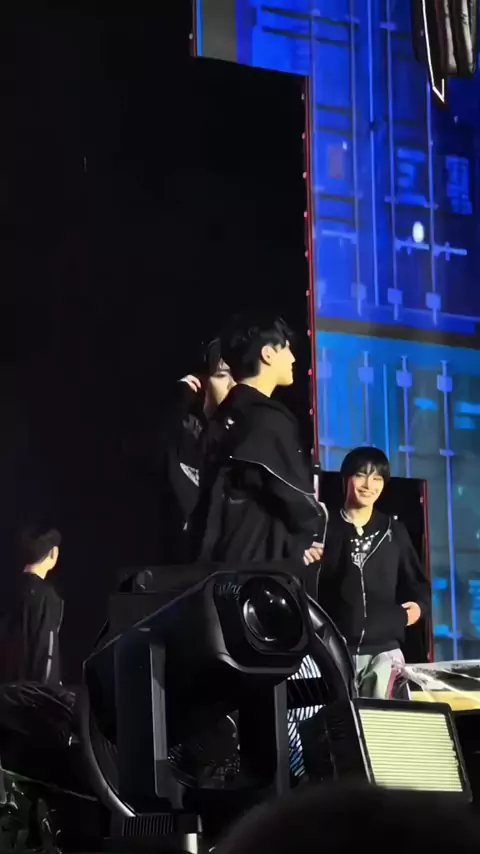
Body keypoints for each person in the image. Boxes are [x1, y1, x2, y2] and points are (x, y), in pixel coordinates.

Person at [188, 314, 326, 571]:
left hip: (219, 564)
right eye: (286, 348)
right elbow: (294, 495)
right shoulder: (266, 419)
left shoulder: (223, 418)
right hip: (257, 569)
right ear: (268, 354)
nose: (293, 358)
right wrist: (314, 530)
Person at [316, 446, 430, 699]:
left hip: (384, 653)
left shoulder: (394, 530)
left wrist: (416, 610)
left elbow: (417, 583)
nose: (369, 485)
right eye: (361, 475)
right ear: (346, 478)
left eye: (377, 478)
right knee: (338, 720)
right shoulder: (323, 526)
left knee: (383, 721)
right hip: (333, 650)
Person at [153, 338, 235, 564]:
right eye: (223, 375)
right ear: (203, 381)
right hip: (180, 568)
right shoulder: (183, 432)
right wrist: (181, 397)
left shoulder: (248, 434)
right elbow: (151, 452)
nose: (232, 386)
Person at [0, 525, 64, 686]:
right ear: (53, 553)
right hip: (28, 695)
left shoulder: (7, 589)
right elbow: (45, 654)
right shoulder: (46, 597)